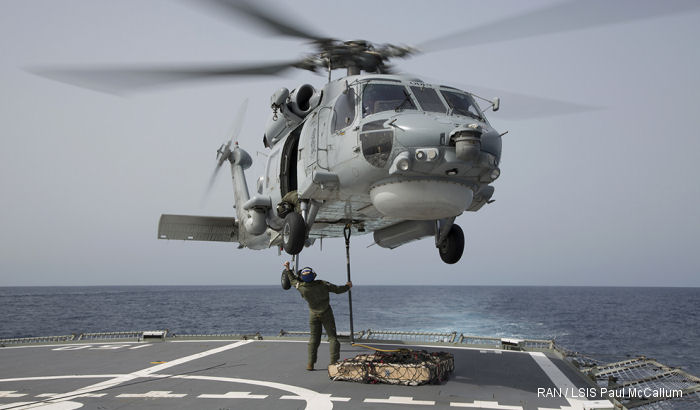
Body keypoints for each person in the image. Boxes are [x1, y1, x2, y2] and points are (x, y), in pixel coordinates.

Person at [282, 261, 352, 371]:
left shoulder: (301, 287)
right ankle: (333, 363)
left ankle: (310, 364)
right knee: (333, 338)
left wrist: (288, 268)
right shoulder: (323, 284)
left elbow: (292, 280)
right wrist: (347, 286)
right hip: (326, 313)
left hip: (313, 314)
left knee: (314, 339)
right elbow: (338, 290)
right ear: (314, 275)